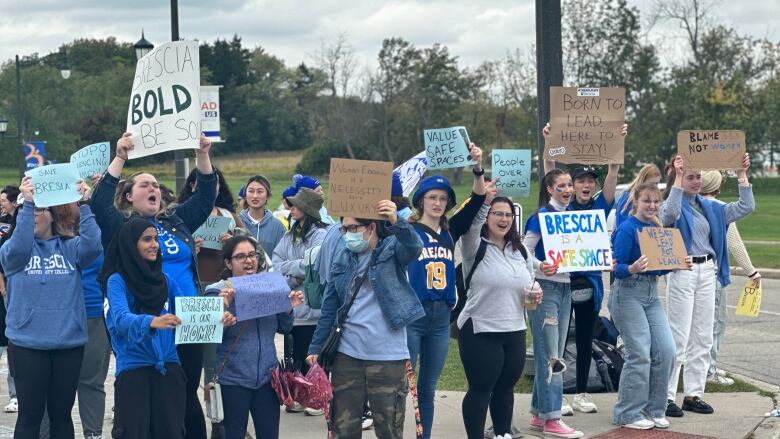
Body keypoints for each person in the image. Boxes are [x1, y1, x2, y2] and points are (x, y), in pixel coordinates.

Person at [91, 132, 217, 439]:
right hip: (148, 323)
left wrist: (202, 155)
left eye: (157, 185)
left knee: (184, 392)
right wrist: (120, 157)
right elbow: (98, 203)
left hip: (190, 319)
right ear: (129, 196)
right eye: (145, 184)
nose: (154, 188)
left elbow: (204, 198)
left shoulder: (175, 221)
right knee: (148, 398)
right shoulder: (123, 228)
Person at [100, 218, 236, 438]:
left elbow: (189, 313)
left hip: (170, 370)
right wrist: (151, 321)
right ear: (130, 245)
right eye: (147, 239)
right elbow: (120, 320)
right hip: (134, 370)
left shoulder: (165, 280)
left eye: (155, 239)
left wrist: (217, 316)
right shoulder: (117, 281)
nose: (155, 244)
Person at [306, 200, 425, 439]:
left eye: (352, 228)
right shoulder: (342, 257)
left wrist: (396, 220)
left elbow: (414, 248)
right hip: (346, 357)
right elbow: (330, 306)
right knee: (343, 429)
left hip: (388, 358)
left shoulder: (392, 249)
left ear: (371, 228)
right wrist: (315, 347)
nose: (347, 234)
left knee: (389, 429)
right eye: (344, 229)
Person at [0, 176, 101, 438]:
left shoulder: (70, 247)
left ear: (54, 215)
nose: (33, 214)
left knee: (61, 416)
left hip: (68, 343)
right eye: (27, 210)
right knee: (30, 417)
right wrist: (28, 203)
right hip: (27, 344)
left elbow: (92, 247)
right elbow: (21, 246)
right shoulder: (11, 251)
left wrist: (86, 204)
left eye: (40, 209)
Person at [659, 154, 755, 417]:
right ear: (680, 178)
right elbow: (669, 215)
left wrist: (741, 175)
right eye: (691, 177)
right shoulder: (673, 203)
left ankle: (693, 394)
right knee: (678, 336)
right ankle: (666, 396)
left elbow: (746, 207)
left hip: (707, 270)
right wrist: (678, 178)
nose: (696, 181)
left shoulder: (711, 207)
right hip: (682, 271)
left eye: (698, 177)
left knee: (702, 336)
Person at [406, 145, 486, 439]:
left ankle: (422, 436)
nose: (438, 203)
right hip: (413, 315)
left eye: (443, 199)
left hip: (441, 318)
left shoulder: (451, 228)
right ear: (421, 201)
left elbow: (478, 198)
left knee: (427, 388)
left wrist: (477, 166)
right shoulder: (408, 230)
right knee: (404, 386)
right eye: (432, 198)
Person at [543, 122, 623, 415]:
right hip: (562, 283)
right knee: (560, 339)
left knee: (587, 336)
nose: (586, 185)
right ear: (570, 185)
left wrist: (617, 147)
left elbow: (613, 175)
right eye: (581, 181)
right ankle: (560, 393)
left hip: (589, 284)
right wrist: (549, 141)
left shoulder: (598, 209)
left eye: (591, 181)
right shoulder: (561, 207)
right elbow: (549, 171)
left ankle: (582, 393)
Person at [457, 193, 538, 439]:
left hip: (514, 329)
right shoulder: (474, 245)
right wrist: (483, 198)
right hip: (480, 329)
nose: (503, 219)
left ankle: (503, 434)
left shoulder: (520, 249)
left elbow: (530, 283)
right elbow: (471, 223)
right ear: (487, 217)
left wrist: (534, 293)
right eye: (497, 213)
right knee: (482, 389)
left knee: (505, 389)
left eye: (508, 215)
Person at [205, 235, 303, 439]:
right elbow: (208, 336)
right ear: (228, 262)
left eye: (252, 255)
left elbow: (284, 329)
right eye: (240, 257)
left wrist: (288, 309)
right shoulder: (216, 292)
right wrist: (223, 308)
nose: (248, 261)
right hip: (232, 379)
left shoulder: (271, 287)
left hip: (267, 379)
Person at [610, 182, 683, 430]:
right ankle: (627, 413)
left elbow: (658, 268)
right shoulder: (628, 228)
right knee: (640, 352)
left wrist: (677, 263)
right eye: (646, 201)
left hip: (651, 294)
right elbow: (616, 269)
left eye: (656, 201)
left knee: (666, 350)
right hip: (628, 294)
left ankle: (654, 409)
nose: (652, 206)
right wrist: (631, 268)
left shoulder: (657, 229)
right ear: (636, 202)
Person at [523, 169, 584, 438]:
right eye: (561, 185)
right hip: (544, 288)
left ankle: (540, 413)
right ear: (550, 189)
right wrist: (540, 265)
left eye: (570, 184)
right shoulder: (540, 217)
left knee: (554, 350)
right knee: (551, 356)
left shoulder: (574, 218)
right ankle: (553, 418)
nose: (568, 189)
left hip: (565, 287)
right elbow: (522, 249)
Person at [698, 171, 761, 386]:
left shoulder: (692, 207)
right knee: (715, 324)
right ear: (717, 186)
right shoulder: (720, 208)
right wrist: (751, 271)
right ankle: (708, 370)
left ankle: (700, 366)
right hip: (713, 274)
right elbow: (735, 244)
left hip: (694, 274)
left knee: (696, 324)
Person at [272, 187, 327, 415]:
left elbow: (314, 265)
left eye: (295, 204)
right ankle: (298, 396)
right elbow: (275, 265)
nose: (290, 208)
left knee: (312, 356)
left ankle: (315, 398)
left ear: (306, 208)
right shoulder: (289, 235)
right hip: (294, 308)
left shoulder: (324, 234)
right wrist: (296, 271)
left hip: (314, 308)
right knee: (293, 356)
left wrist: (291, 268)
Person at [0, 185, 20, 413]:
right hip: (6, 288)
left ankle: (16, 394)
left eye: (4, 200)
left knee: (15, 343)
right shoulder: (2, 221)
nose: (2, 203)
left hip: (16, 289)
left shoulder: (22, 223)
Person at [238, 175, 286, 256]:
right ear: (245, 195)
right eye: (251, 191)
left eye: (260, 192)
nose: (255, 196)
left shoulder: (278, 227)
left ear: (267, 195)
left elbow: (282, 257)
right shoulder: (236, 222)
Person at [614, 164, 662, 232]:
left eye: (657, 184)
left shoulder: (626, 194)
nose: (655, 187)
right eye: (652, 184)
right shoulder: (629, 198)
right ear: (643, 180)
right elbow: (624, 225)